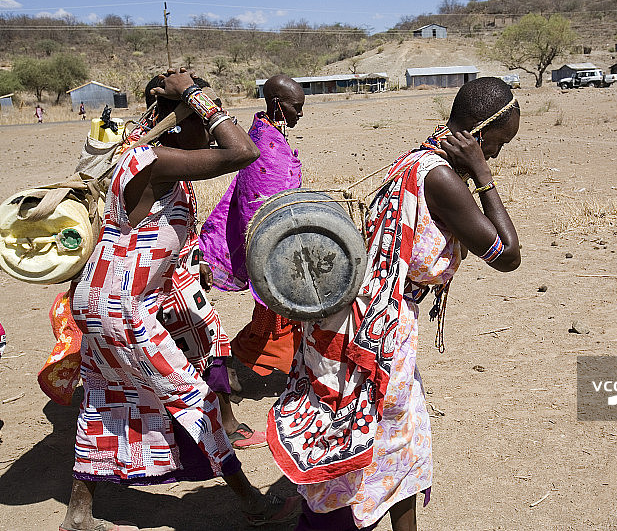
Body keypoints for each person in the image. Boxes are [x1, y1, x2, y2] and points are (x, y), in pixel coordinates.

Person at [266, 77, 521, 530]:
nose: (498, 153)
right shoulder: (441, 176)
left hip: (371, 315)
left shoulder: (417, 158)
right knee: (360, 440)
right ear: (478, 135)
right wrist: (484, 175)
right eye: (498, 143)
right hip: (376, 328)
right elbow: (507, 255)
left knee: (402, 434)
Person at [61, 69, 291, 531]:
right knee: (194, 397)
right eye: (200, 120)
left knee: (105, 397)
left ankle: (78, 514)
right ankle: (251, 503)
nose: (209, 131)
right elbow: (243, 151)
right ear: (178, 116)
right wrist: (194, 95)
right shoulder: (154, 157)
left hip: (104, 297)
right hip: (120, 304)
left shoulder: (144, 153)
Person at [199, 74, 305, 443]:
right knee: (286, 316)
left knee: (275, 321)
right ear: (278, 104)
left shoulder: (267, 137)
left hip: (280, 249)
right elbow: (258, 210)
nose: (300, 115)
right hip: (273, 252)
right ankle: (294, 376)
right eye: (296, 107)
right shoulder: (265, 146)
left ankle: (234, 369)